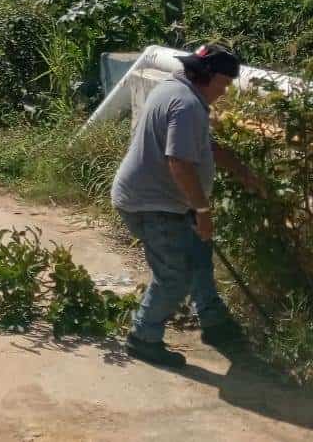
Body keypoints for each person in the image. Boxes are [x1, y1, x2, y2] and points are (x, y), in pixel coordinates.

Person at [111, 42, 264, 368]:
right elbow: (179, 161)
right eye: (223, 84)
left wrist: (239, 168)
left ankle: (214, 322)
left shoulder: (174, 88)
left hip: (166, 199)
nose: (223, 92)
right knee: (174, 276)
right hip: (152, 204)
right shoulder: (186, 105)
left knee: (198, 255)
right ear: (207, 75)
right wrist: (203, 211)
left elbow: (198, 143)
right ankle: (143, 337)